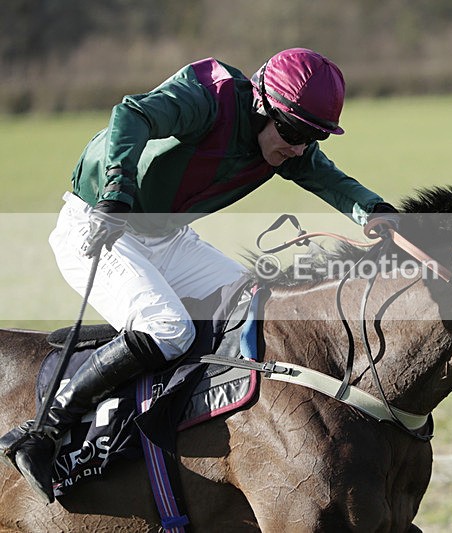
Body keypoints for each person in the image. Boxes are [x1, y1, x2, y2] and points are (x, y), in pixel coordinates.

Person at [0, 48, 400, 504]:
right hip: (101, 223)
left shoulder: (289, 143)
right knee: (168, 330)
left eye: (314, 137)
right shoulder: (208, 97)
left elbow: (327, 177)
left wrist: (377, 213)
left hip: (166, 238)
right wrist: (117, 188)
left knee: (253, 306)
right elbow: (130, 114)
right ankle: (42, 432)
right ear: (261, 103)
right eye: (293, 132)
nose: (299, 147)